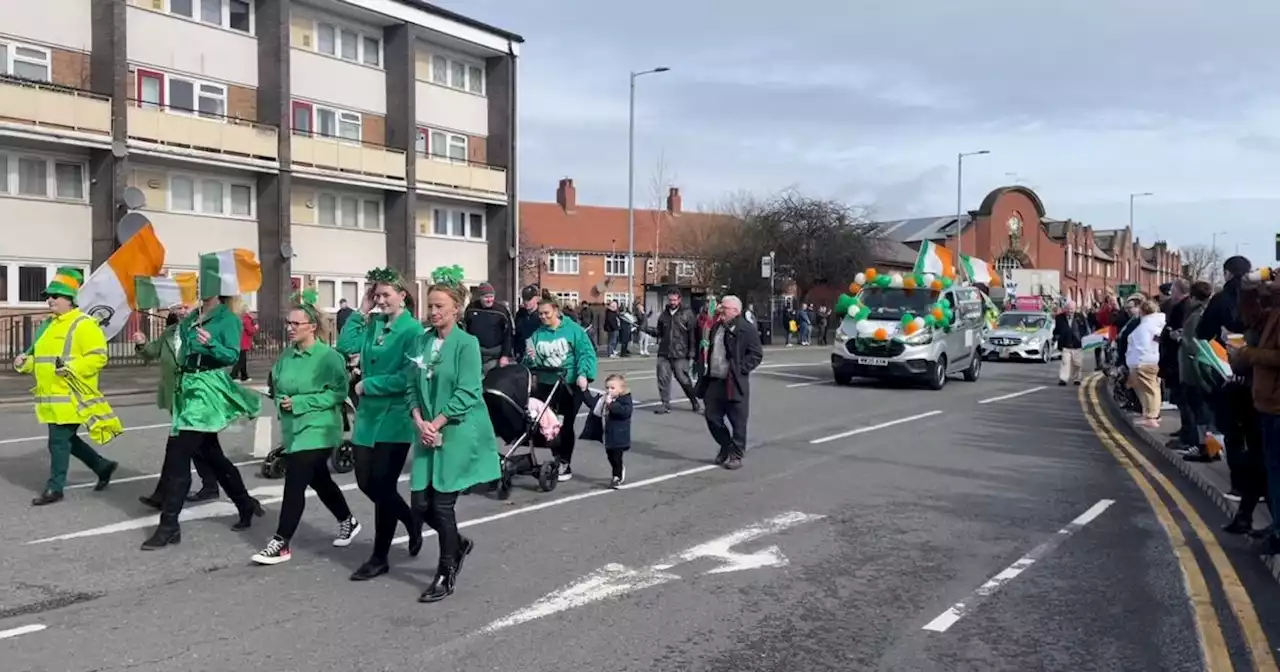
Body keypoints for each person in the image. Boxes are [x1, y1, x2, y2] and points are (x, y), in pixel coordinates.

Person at [141, 290, 266, 550]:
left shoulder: (228, 319)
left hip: (205, 391)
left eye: (205, 282)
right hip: (186, 390)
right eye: (200, 282)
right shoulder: (193, 317)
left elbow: (232, 355)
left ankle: (169, 526)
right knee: (212, 456)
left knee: (178, 455)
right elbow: (175, 349)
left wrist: (211, 344)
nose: (200, 287)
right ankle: (245, 503)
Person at [406, 273, 502, 601]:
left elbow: (469, 391)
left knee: (443, 504)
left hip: (456, 430)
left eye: (439, 306)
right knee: (419, 504)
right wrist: (420, 420)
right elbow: (411, 386)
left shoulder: (467, 344)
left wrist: (438, 422)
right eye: (429, 305)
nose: (432, 311)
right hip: (427, 431)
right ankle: (458, 543)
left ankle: (446, 570)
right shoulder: (421, 341)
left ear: (456, 309)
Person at [251, 293, 362, 565]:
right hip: (294, 428)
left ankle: (281, 542)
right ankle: (348, 519)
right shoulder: (287, 355)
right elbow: (277, 387)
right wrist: (278, 398)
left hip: (320, 427)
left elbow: (338, 394)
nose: (290, 328)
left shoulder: (329, 357)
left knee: (296, 480)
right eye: (288, 323)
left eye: (296, 324)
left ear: (312, 326)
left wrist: (301, 402)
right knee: (320, 480)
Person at [337, 267, 425, 581]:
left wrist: (369, 386)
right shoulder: (373, 322)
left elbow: (408, 377)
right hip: (368, 417)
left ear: (403, 295)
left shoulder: (413, 331)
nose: (381, 300)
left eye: (387, 294)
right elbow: (345, 344)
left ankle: (379, 556)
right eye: (377, 295)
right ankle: (412, 521)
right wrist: (361, 309)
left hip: (394, 417)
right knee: (365, 482)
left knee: (383, 486)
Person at [13, 267, 121, 506]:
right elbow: (43, 361)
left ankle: (55, 487)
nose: (49, 300)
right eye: (48, 296)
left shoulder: (84, 324)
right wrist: (25, 362)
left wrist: (70, 367)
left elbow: (98, 357)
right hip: (51, 396)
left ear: (70, 300)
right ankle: (102, 466)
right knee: (68, 440)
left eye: (55, 296)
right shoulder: (49, 327)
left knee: (58, 441)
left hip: (73, 395)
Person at [134, 303, 220, 508]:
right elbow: (151, 353)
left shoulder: (203, 332)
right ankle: (222, 491)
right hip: (176, 397)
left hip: (196, 398)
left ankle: (164, 495)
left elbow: (219, 358)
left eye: (186, 307)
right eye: (177, 308)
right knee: (205, 447)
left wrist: (211, 344)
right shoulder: (170, 333)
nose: (181, 311)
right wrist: (142, 344)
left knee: (178, 447)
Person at [524, 296, 597, 481]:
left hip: (569, 384)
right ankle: (556, 459)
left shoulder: (573, 330)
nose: (543, 317)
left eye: (546, 313)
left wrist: (583, 374)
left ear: (556, 311)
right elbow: (530, 360)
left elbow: (586, 353)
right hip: (546, 384)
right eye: (540, 314)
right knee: (547, 424)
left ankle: (565, 461)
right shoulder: (538, 334)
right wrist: (530, 358)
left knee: (565, 424)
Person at [1197, 256, 1253, 499]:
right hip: (1260, 376)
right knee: (1257, 434)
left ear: (1228, 273)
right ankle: (1259, 489)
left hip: (1230, 370)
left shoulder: (1221, 299)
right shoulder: (1261, 296)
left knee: (1234, 431)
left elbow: (1202, 333)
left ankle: (1239, 487)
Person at [695, 296, 762, 470]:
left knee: (738, 420)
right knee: (712, 417)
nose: (720, 310)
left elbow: (756, 354)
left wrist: (740, 369)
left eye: (724, 308)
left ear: (735, 311)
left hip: (734, 382)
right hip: (715, 379)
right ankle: (726, 446)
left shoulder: (746, 329)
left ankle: (736, 454)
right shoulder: (717, 326)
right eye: (720, 307)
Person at [1173, 282, 1214, 453]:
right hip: (1197, 369)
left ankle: (1202, 446)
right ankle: (1204, 445)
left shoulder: (1197, 315)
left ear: (1193, 297)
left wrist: (1179, 338)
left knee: (1198, 409)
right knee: (1200, 410)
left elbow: (1196, 344)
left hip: (1194, 369)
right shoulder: (1203, 312)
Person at [645, 288, 701, 415]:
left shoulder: (687, 314)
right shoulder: (664, 315)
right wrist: (647, 329)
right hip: (664, 352)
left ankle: (694, 401)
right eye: (670, 299)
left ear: (679, 299)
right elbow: (659, 333)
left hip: (681, 353)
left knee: (683, 379)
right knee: (663, 378)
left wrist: (693, 352)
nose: (672, 302)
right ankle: (665, 404)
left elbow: (693, 334)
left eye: (675, 300)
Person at [580, 374, 634, 488]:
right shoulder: (603, 398)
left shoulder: (625, 399)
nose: (609, 390)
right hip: (608, 435)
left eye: (612, 388)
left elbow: (625, 412)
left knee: (616, 456)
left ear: (621, 389)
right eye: (607, 388)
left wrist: (611, 404)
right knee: (610, 456)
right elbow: (591, 403)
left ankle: (617, 476)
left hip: (619, 435)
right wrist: (584, 390)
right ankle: (618, 468)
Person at [1125, 299, 1165, 429]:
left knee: (1150, 390)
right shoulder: (1154, 324)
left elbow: (1144, 344)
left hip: (1144, 361)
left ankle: (1151, 417)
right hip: (1146, 360)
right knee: (1148, 389)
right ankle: (1149, 415)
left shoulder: (1148, 325)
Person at [462, 282, 514, 374]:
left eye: (491, 296)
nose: (489, 300)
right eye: (486, 297)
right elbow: (465, 331)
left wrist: (505, 356)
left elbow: (508, 334)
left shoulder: (501, 311)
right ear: (480, 297)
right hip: (476, 353)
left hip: (495, 355)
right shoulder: (471, 308)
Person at [1052, 300, 1089, 386]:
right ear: (1065, 309)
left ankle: (1077, 378)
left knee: (1077, 363)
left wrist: (1084, 339)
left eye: (1072, 309)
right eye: (1068, 309)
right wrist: (1055, 337)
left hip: (1077, 344)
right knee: (1065, 362)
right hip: (1065, 344)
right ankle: (1063, 379)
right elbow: (1057, 329)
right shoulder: (1059, 317)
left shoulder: (1080, 317)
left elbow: (1085, 329)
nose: (1070, 311)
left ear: (1075, 309)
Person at [513, 285, 542, 360]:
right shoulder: (520, 314)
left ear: (536, 298)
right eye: (524, 299)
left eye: (529, 299)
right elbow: (517, 334)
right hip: (521, 355)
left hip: (538, 355)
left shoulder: (542, 315)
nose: (526, 302)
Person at [231, 310, 257, 381]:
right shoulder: (247, 320)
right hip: (243, 343)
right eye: (254, 313)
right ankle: (233, 375)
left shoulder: (244, 319)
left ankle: (244, 376)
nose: (255, 315)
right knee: (240, 360)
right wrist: (255, 328)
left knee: (243, 360)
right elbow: (250, 331)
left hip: (242, 342)